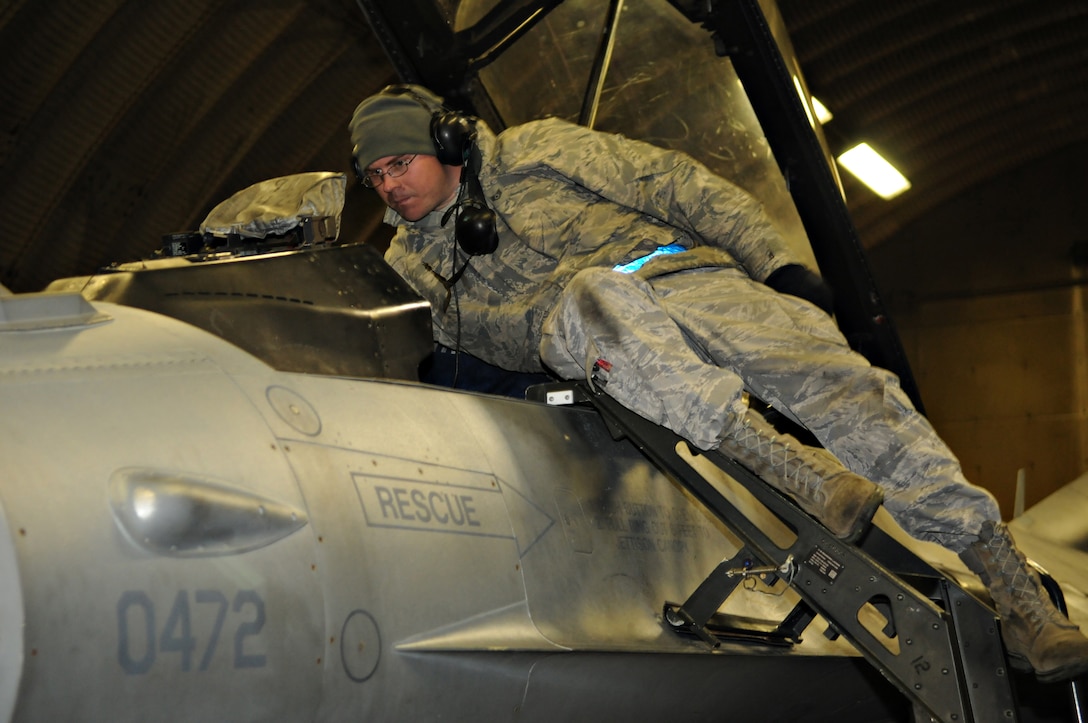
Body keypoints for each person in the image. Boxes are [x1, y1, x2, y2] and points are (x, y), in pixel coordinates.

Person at [348, 84, 1088, 682]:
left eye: (400, 163)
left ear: (446, 141)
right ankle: (790, 468)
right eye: (375, 176)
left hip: (688, 277)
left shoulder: (538, 151)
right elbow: (472, 346)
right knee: (593, 298)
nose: (390, 185)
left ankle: (1017, 592)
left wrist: (772, 261)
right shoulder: (410, 271)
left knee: (853, 390)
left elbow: (673, 184)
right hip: (596, 324)